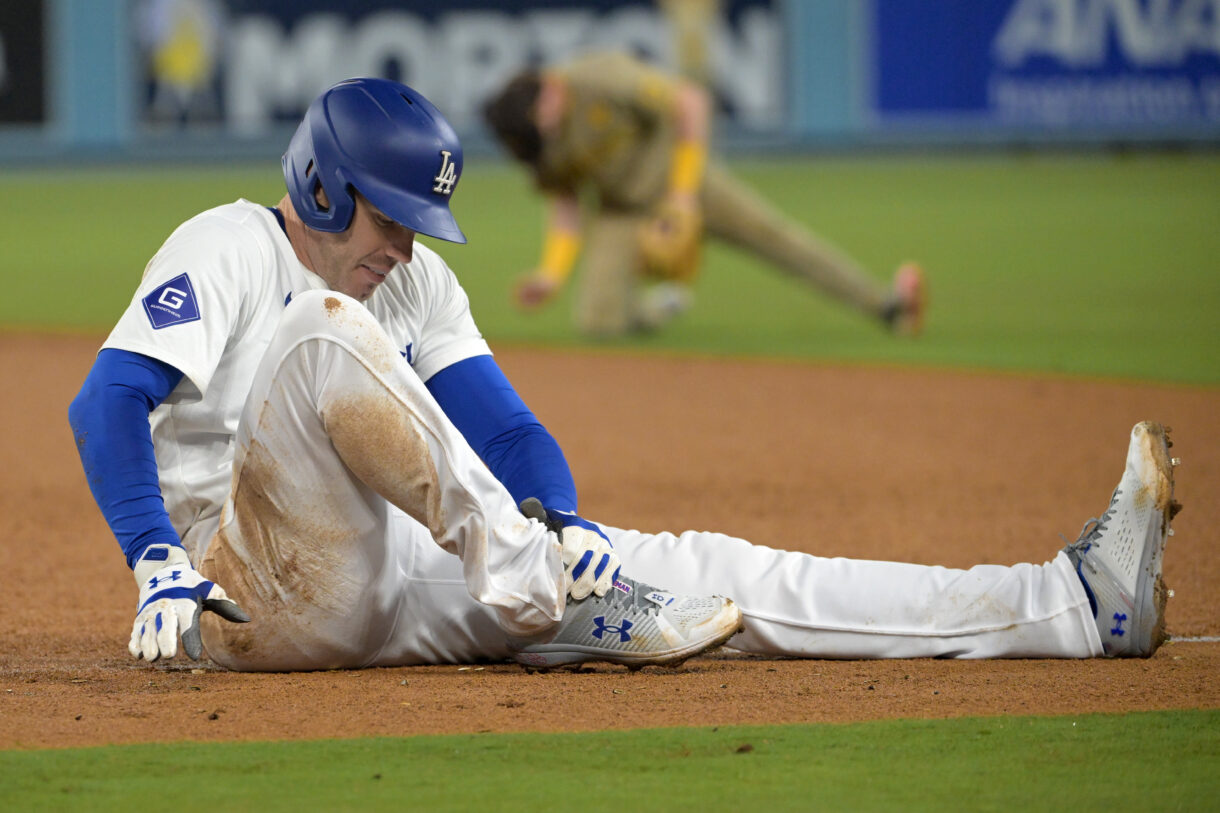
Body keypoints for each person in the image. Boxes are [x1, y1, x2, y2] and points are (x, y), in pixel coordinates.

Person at [68, 77, 1178, 674]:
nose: (407, 244)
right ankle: (530, 578)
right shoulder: (231, 245)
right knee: (323, 324)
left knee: (713, 574)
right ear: (317, 188)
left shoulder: (408, 285)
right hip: (237, 592)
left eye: (421, 222)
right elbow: (104, 399)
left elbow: (505, 435)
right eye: (389, 214)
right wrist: (153, 556)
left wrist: (566, 519)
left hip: (385, 577)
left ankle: (1072, 607)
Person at [481, 51, 927, 337]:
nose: (548, 133)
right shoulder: (535, 138)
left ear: (551, 89)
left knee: (779, 240)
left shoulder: (599, 77)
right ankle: (654, 310)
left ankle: (886, 304)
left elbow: (690, 103)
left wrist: (682, 194)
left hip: (683, 180)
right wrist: (552, 275)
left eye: (545, 120)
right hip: (623, 210)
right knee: (597, 323)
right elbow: (566, 203)